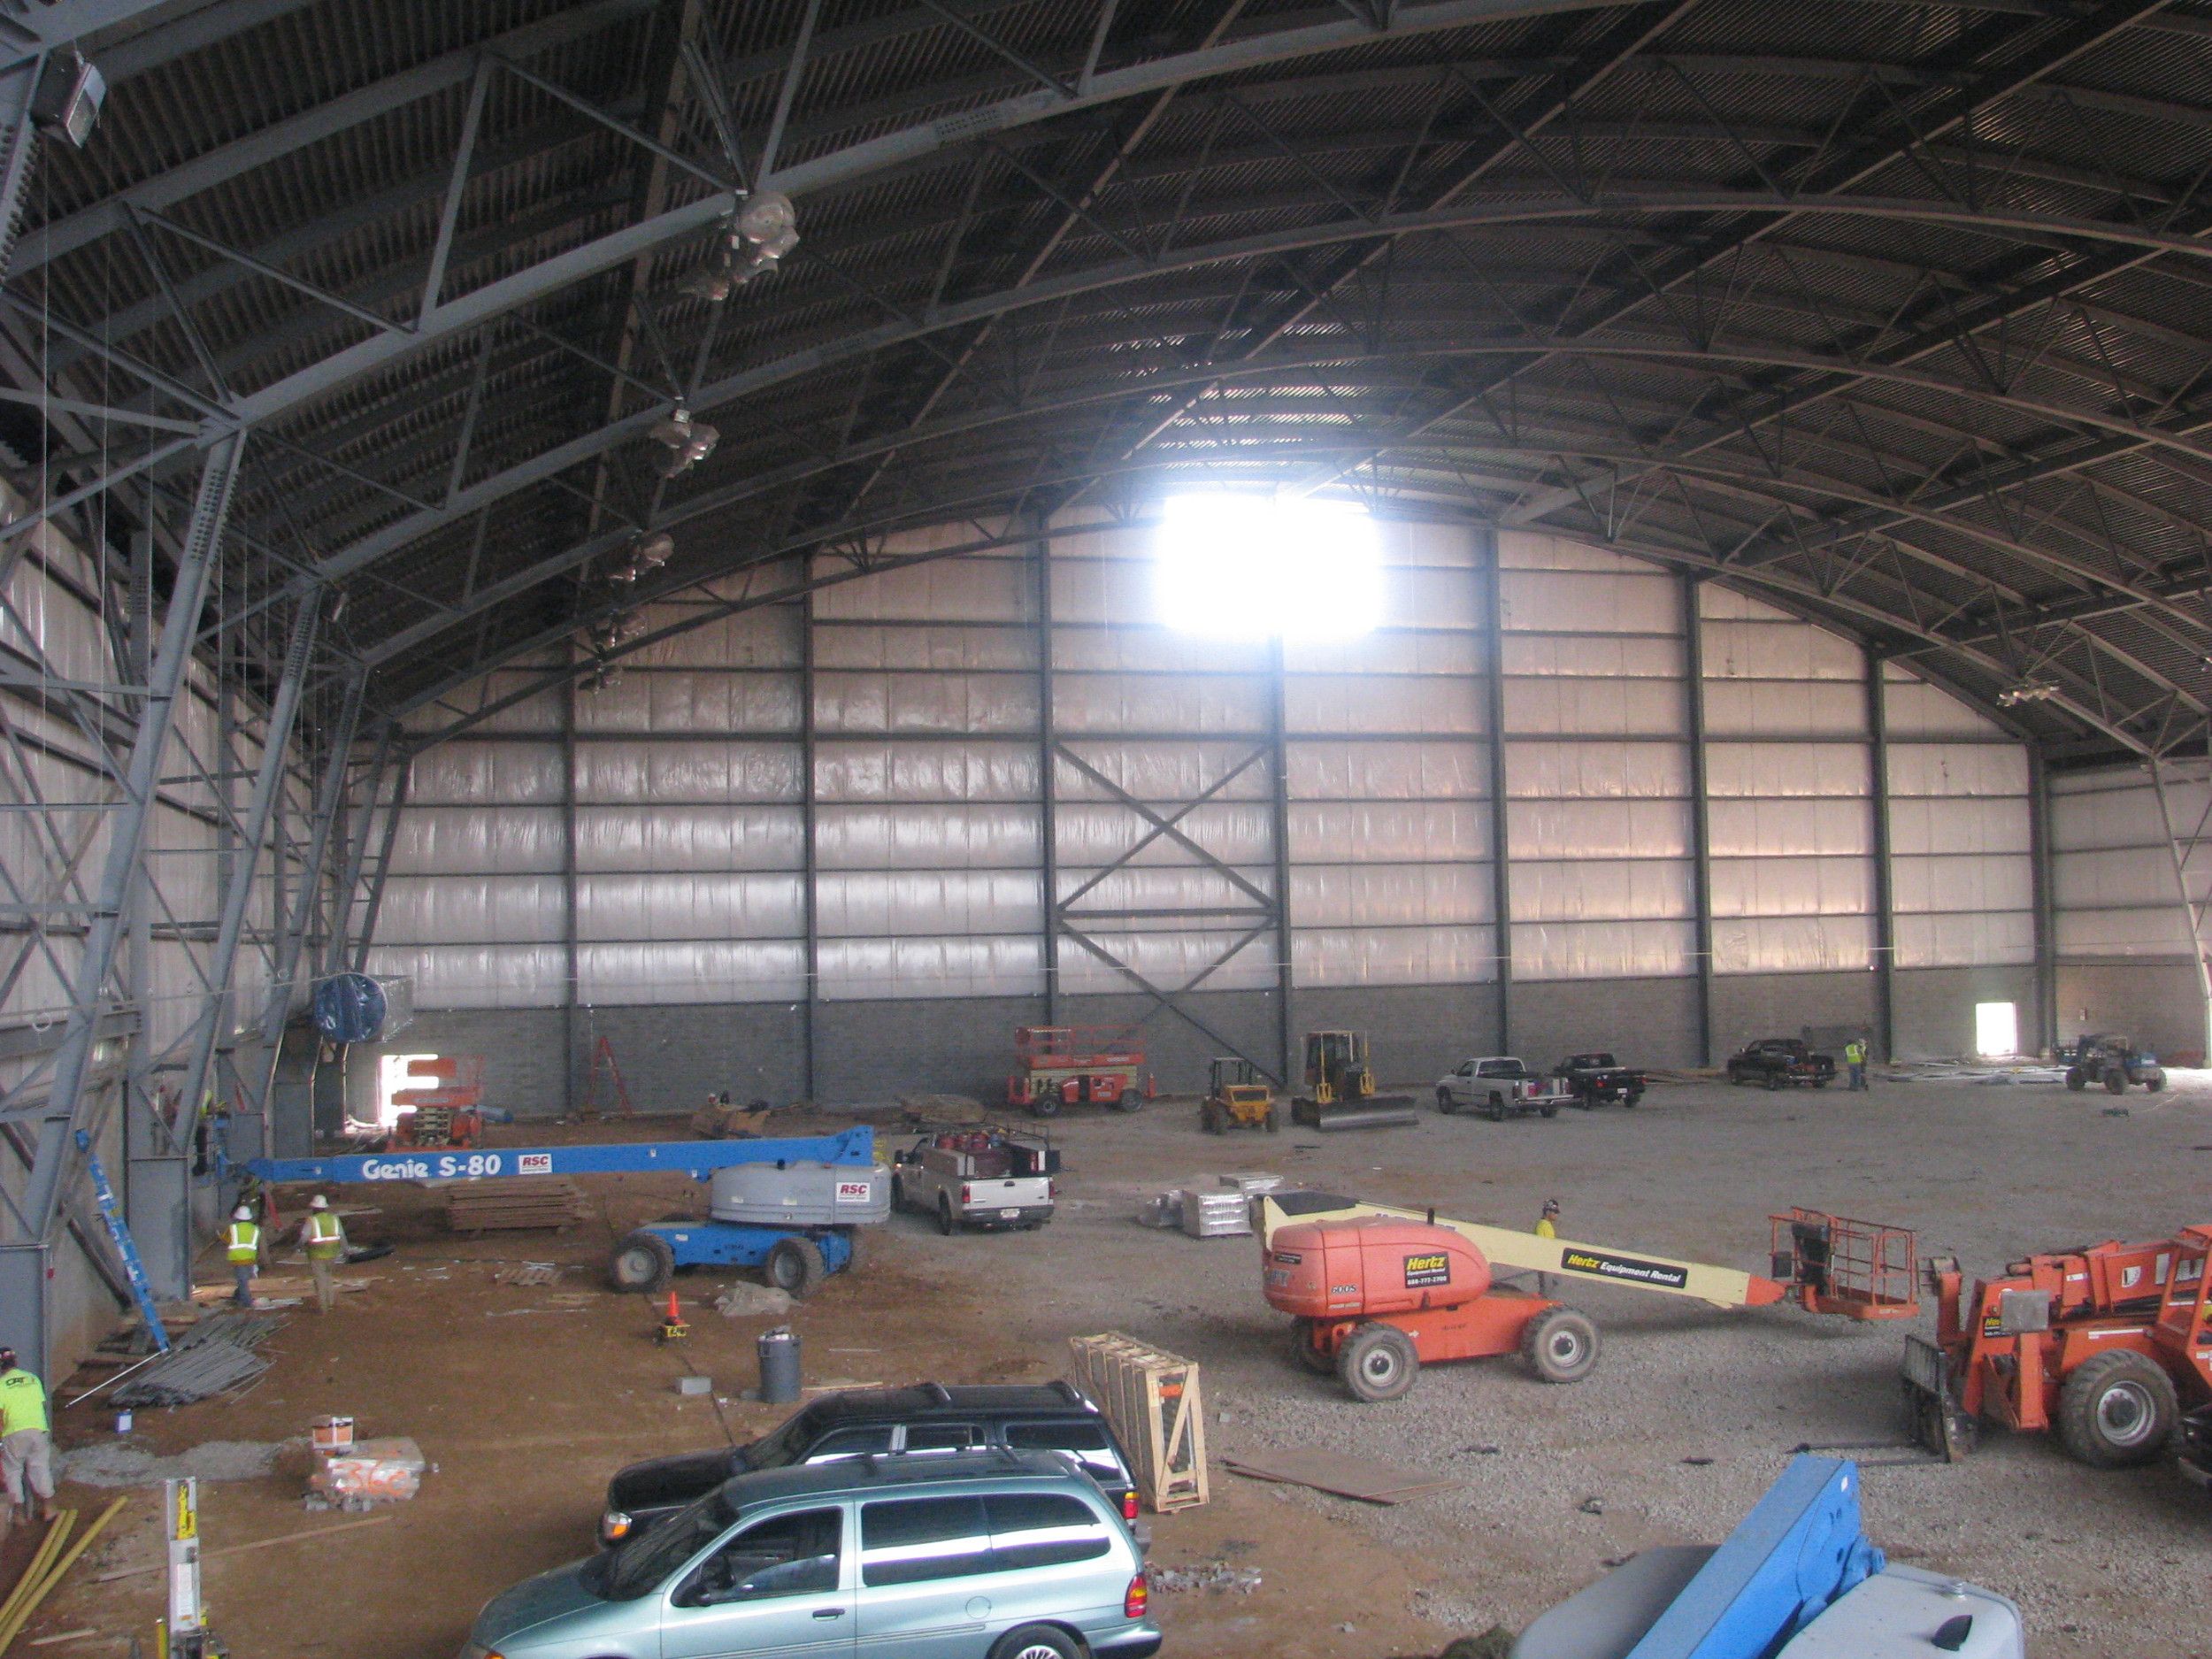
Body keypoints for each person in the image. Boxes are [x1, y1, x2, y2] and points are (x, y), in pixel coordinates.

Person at [0, 1347, 53, 1532]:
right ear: (15, 1362)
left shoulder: (1, 1384)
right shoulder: (32, 1379)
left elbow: (0, 1414)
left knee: (13, 1471)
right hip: (38, 1428)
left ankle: (19, 1515)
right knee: (40, 1467)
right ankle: (48, 1508)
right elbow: (39, 1403)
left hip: (14, 1431)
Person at [303, 1194, 346, 1315]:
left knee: (320, 1281)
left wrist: (298, 1246)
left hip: (316, 1255)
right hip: (332, 1254)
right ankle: (331, 1303)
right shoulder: (334, 1219)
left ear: (314, 1208)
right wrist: (346, 1250)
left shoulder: (311, 1220)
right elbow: (342, 1235)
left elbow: (305, 1237)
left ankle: (323, 1307)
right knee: (328, 1278)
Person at [225, 1202, 261, 1307]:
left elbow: (226, 1239)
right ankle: (237, 1297)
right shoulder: (255, 1229)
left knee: (243, 1281)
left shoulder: (233, 1228)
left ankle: (247, 1302)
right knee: (244, 1279)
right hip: (250, 1258)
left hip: (238, 1258)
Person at [1535, 1198, 1562, 1294]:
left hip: (1549, 1264)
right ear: (1547, 1212)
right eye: (1555, 1212)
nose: (1557, 1214)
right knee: (1546, 1292)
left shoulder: (1546, 1225)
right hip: (1545, 1264)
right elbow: (1541, 1245)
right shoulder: (1542, 1226)